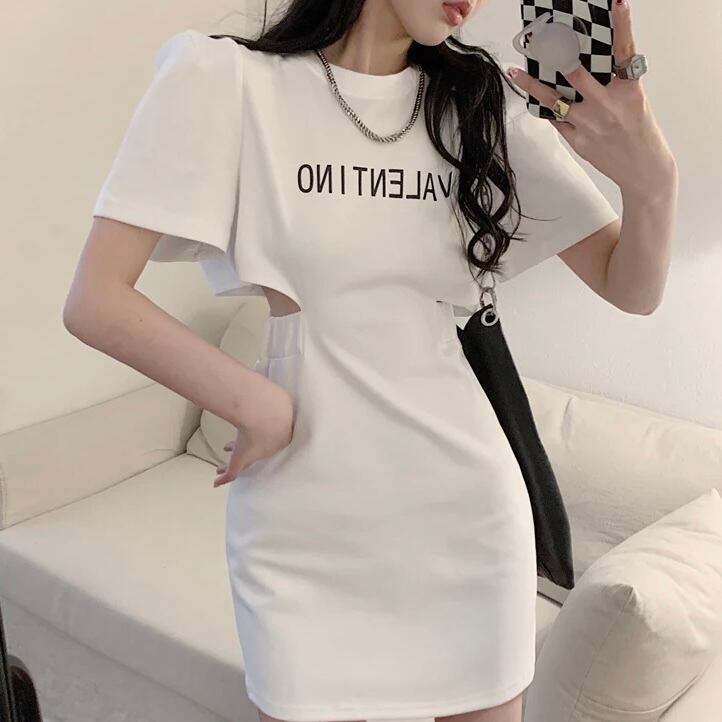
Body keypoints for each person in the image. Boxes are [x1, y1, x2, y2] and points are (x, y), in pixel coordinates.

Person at [63, 1, 677, 721]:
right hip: (301, 531)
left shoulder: (480, 106)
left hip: (466, 522)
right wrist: (254, 401)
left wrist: (653, 181)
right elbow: (96, 299)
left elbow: (631, 287)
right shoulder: (224, 79)